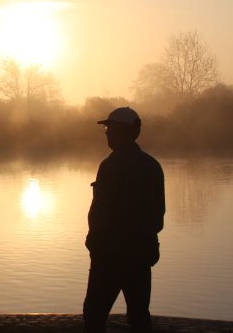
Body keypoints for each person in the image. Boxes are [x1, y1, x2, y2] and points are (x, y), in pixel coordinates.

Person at [83, 107, 165, 333]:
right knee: (139, 317)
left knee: (94, 316)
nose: (106, 133)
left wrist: (94, 244)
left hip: (110, 256)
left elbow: (100, 214)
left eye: (109, 128)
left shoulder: (111, 166)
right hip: (142, 254)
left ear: (121, 131)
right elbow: (158, 219)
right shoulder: (153, 166)